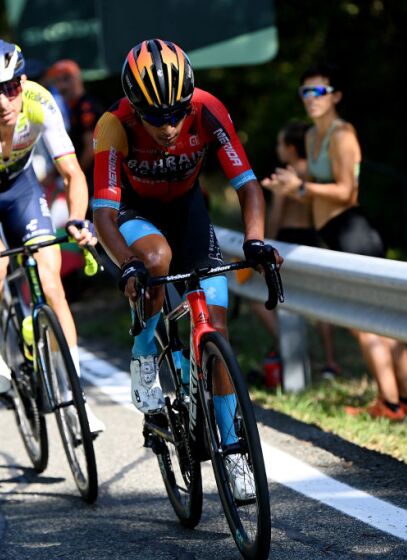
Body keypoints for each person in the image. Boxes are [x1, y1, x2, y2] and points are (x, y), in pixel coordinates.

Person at [92, 39, 282, 499]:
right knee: (155, 261)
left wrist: (255, 240)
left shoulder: (207, 109)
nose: (169, 126)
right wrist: (128, 265)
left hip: (188, 211)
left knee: (216, 326)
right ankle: (144, 352)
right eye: (155, 117)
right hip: (134, 213)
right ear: (135, 107)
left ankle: (232, 450)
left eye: (176, 113)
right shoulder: (114, 124)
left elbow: (248, 185)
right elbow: (103, 215)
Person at [0, 39, 105, 434]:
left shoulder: (39, 102)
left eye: (11, 87)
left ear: (23, 82)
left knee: (51, 283)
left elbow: (73, 174)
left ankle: (75, 399)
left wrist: (78, 218)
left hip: (21, 190)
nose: (3, 101)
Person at [262, 63, 407, 422]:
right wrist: (288, 189)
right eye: (305, 92)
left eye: (319, 91)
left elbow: (347, 192)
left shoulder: (342, 134)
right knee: (377, 320)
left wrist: (302, 187)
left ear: (335, 96)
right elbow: (315, 194)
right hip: (334, 233)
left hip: (354, 232)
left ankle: (391, 405)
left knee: (366, 322)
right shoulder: (311, 136)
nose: (311, 98)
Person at [257, 122, 342, 379]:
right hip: (312, 238)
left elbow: (276, 216)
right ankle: (330, 361)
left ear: (291, 148)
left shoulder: (288, 174)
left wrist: (267, 241)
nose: (278, 149)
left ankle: (287, 348)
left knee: (263, 296)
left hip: (287, 238)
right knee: (318, 301)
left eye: (280, 144)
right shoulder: (314, 173)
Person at [45, 59, 105, 198]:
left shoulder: (85, 106)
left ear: (77, 79)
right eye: (57, 81)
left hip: (94, 179)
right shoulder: (72, 106)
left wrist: (76, 175)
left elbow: (91, 147)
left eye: (65, 79)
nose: (60, 86)